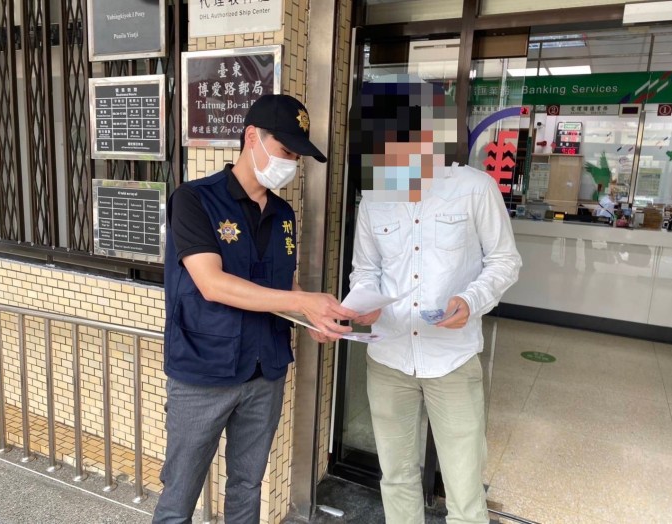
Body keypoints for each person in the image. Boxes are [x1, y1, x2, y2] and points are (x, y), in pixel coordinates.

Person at [153, 94, 356, 524]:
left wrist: (312, 316)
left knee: (247, 486)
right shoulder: (194, 200)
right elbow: (211, 284)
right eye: (286, 150)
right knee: (179, 495)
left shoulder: (283, 214)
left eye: (296, 156)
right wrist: (301, 302)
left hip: (265, 371)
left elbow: (285, 285)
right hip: (203, 372)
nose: (291, 163)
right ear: (252, 138)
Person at [347, 76, 522, 524]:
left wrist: (471, 299)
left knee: (464, 489)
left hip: (452, 359)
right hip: (388, 358)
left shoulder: (474, 188)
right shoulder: (373, 199)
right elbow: (365, 269)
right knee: (396, 476)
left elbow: (505, 261)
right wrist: (363, 303)